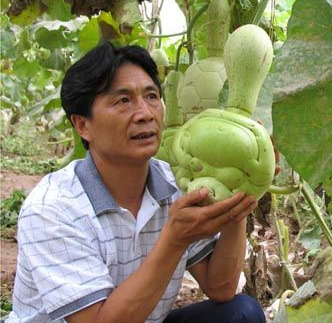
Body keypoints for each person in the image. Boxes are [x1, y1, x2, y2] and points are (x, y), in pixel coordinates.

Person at [6, 42, 266, 323]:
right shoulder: (53, 208)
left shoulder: (174, 182)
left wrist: (239, 196)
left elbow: (221, 287)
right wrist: (174, 239)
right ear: (83, 125)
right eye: (123, 101)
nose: (145, 113)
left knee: (242, 314)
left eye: (152, 96)